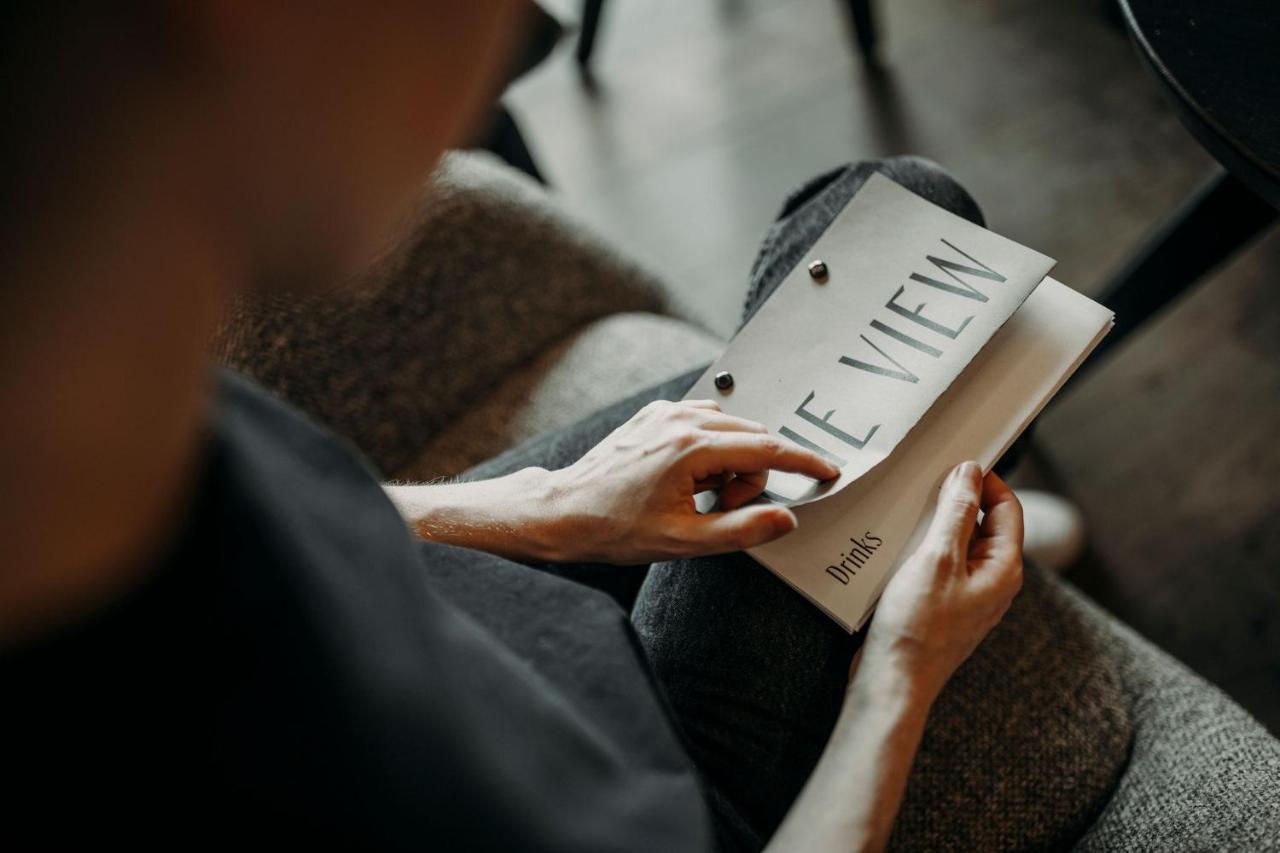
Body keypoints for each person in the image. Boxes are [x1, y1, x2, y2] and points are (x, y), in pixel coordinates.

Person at [1, 3, 1023, 850]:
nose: (512, 39)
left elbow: (308, 509)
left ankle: (916, 500)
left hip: (486, 603)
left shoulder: (86, 365)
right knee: (909, 234)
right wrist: (899, 672)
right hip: (662, 769)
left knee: (888, 221)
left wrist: (540, 507)